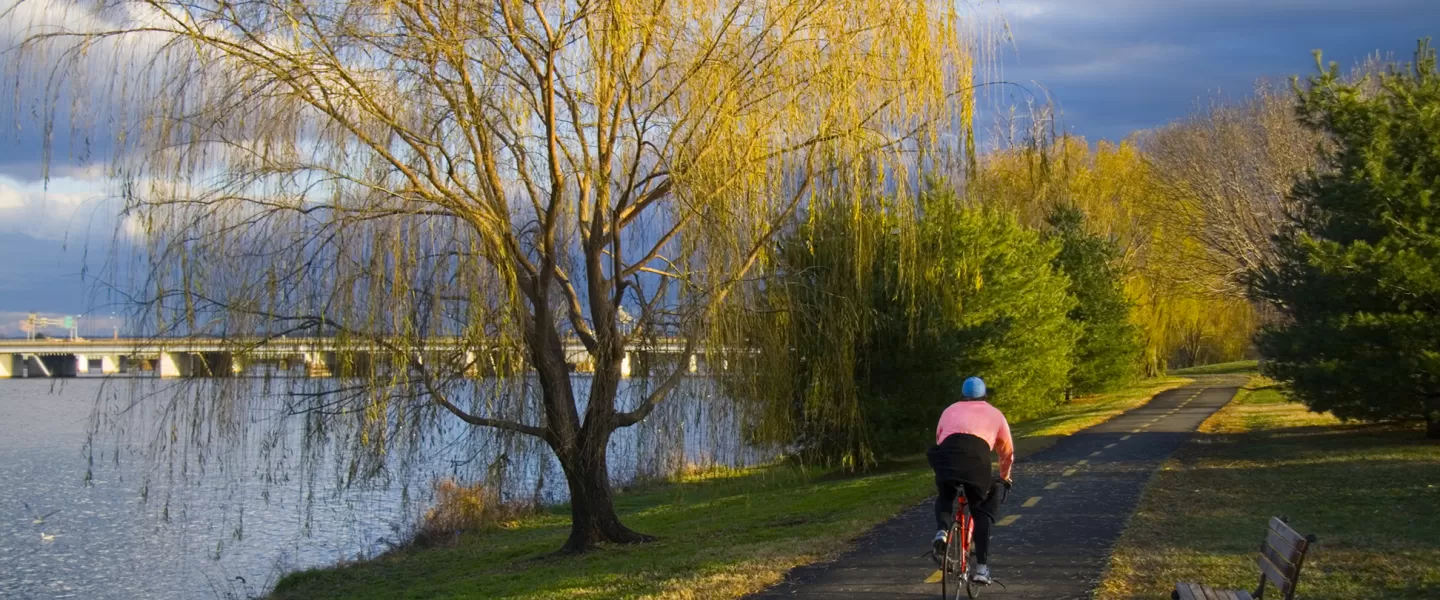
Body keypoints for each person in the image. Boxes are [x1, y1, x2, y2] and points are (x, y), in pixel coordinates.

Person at [926, 376, 1014, 584]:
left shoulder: (949, 410)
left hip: (946, 456)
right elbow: (1006, 452)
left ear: (962, 395)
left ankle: (942, 530)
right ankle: (981, 569)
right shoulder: (995, 414)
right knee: (981, 508)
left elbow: (940, 438)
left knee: (946, 494)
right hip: (976, 461)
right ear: (985, 396)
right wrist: (1005, 476)